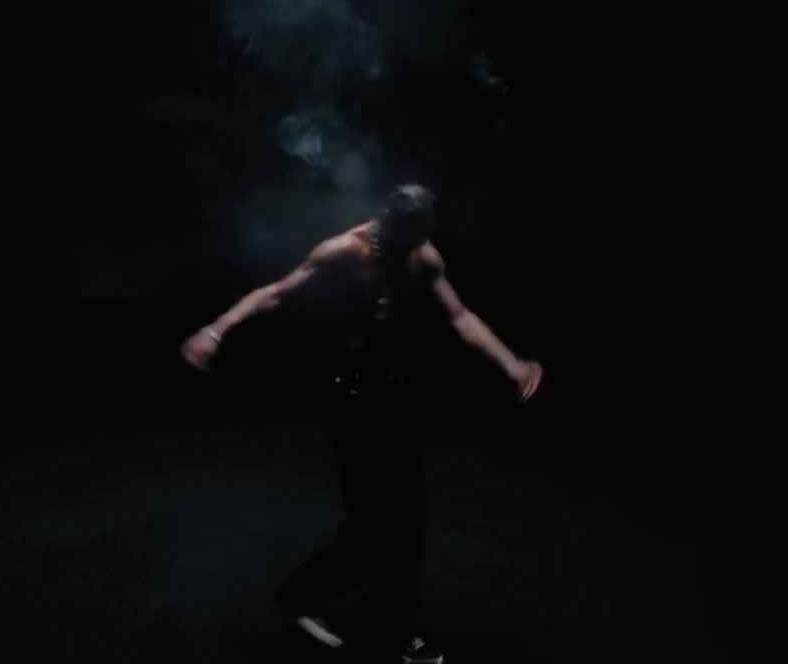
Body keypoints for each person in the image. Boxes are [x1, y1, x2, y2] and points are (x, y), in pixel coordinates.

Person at [181, 184, 542, 663]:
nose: (412, 250)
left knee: (406, 520)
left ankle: (396, 631)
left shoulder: (423, 256)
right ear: (387, 224)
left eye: (418, 240)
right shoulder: (342, 251)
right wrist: (215, 330)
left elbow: (459, 316)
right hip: (350, 398)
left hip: (394, 396)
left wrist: (510, 363)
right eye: (404, 240)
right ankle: (305, 596)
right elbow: (277, 293)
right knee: (373, 520)